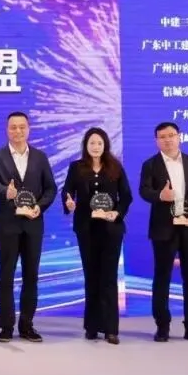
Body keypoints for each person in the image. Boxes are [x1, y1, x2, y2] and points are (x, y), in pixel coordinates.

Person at [138, 121, 188, 344]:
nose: (167, 140)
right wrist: (161, 196)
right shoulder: (150, 165)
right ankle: (162, 326)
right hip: (163, 229)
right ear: (156, 141)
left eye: (171, 135)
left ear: (179, 137)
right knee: (162, 277)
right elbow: (144, 191)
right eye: (162, 137)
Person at [0, 111, 57, 343]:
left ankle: (27, 326)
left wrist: (39, 207)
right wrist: (5, 191)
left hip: (33, 225)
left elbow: (51, 189)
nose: (18, 131)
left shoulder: (40, 157)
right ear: (7, 130)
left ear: (28, 129)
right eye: (13, 127)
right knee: (5, 275)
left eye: (22, 127)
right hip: (7, 224)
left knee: (31, 275)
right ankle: (6, 327)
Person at [60, 127, 132, 345]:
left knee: (109, 278)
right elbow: (67, 191)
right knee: (91, 276)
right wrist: (68, 202)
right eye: (92, 143)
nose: (95, 147)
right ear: (86, 145)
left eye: (99, 143)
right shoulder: (76, 167)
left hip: (111, 230)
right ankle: (91, 326)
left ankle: (111, 329)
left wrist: (117, 212)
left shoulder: (115, 167)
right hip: (87, 229)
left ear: (105, 145)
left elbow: (126, 196)